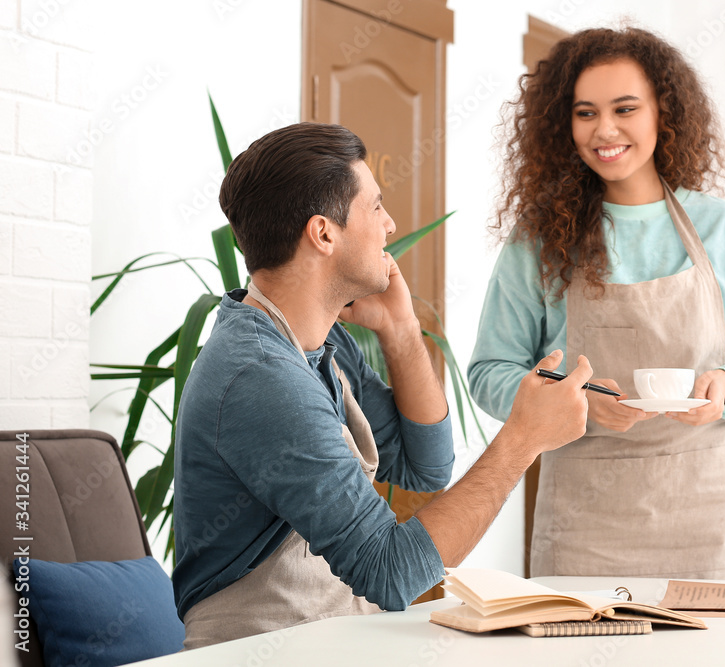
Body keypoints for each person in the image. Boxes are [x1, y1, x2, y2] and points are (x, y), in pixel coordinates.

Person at [172, 122, 593, 649]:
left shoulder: (322, 344)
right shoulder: (261, 377)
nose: (390, 224)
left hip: (330, 637)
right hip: (259, 649)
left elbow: (425, 466)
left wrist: (401, 331)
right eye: (375, 207)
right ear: (323, 233)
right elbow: (391, 574)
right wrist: (522, 440)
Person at [468, 27, 725, 580]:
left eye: (625, 108)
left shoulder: (722, 228)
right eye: (585, 112)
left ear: (664, 112)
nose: (605, 130)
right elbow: (489, 373)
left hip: (709, 520)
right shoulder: (540, 239)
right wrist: (578, 404)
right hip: (586, 529)